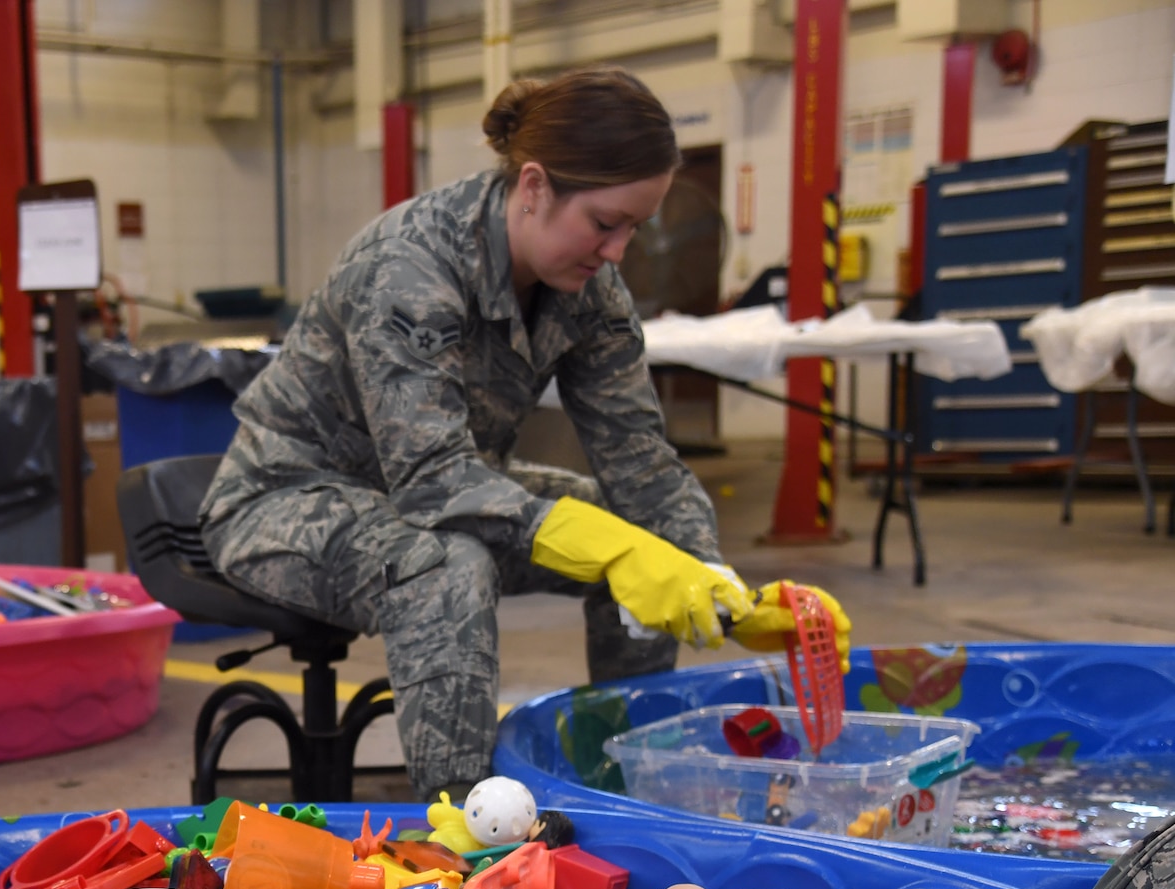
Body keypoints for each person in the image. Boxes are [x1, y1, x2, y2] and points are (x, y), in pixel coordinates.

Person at [200, 66, 847, 799]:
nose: (618, 253)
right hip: (285, 495)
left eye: (635, 228)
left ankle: (619, 784)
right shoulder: (410, 267)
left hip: (433, 487)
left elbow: (642, 463)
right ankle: (466, 827)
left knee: (636, 534)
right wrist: (611, 549)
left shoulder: (591, 292)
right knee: (444, 566)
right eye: (605, 223)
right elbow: (434, 481)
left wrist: (718, 587)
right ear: (534, 186)